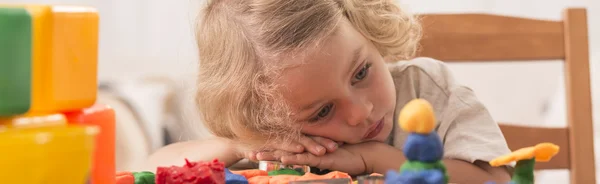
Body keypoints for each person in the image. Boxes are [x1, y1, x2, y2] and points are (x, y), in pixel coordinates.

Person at [147, 0, 512, 183]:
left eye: (361, 72)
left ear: (364, 28)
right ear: (269, 119)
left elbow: (496, 180)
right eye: (322, 112)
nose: (360, 112)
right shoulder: (278, 137)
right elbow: (146, 170)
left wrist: (374, 159)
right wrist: (240, 145)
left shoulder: (427, 89)